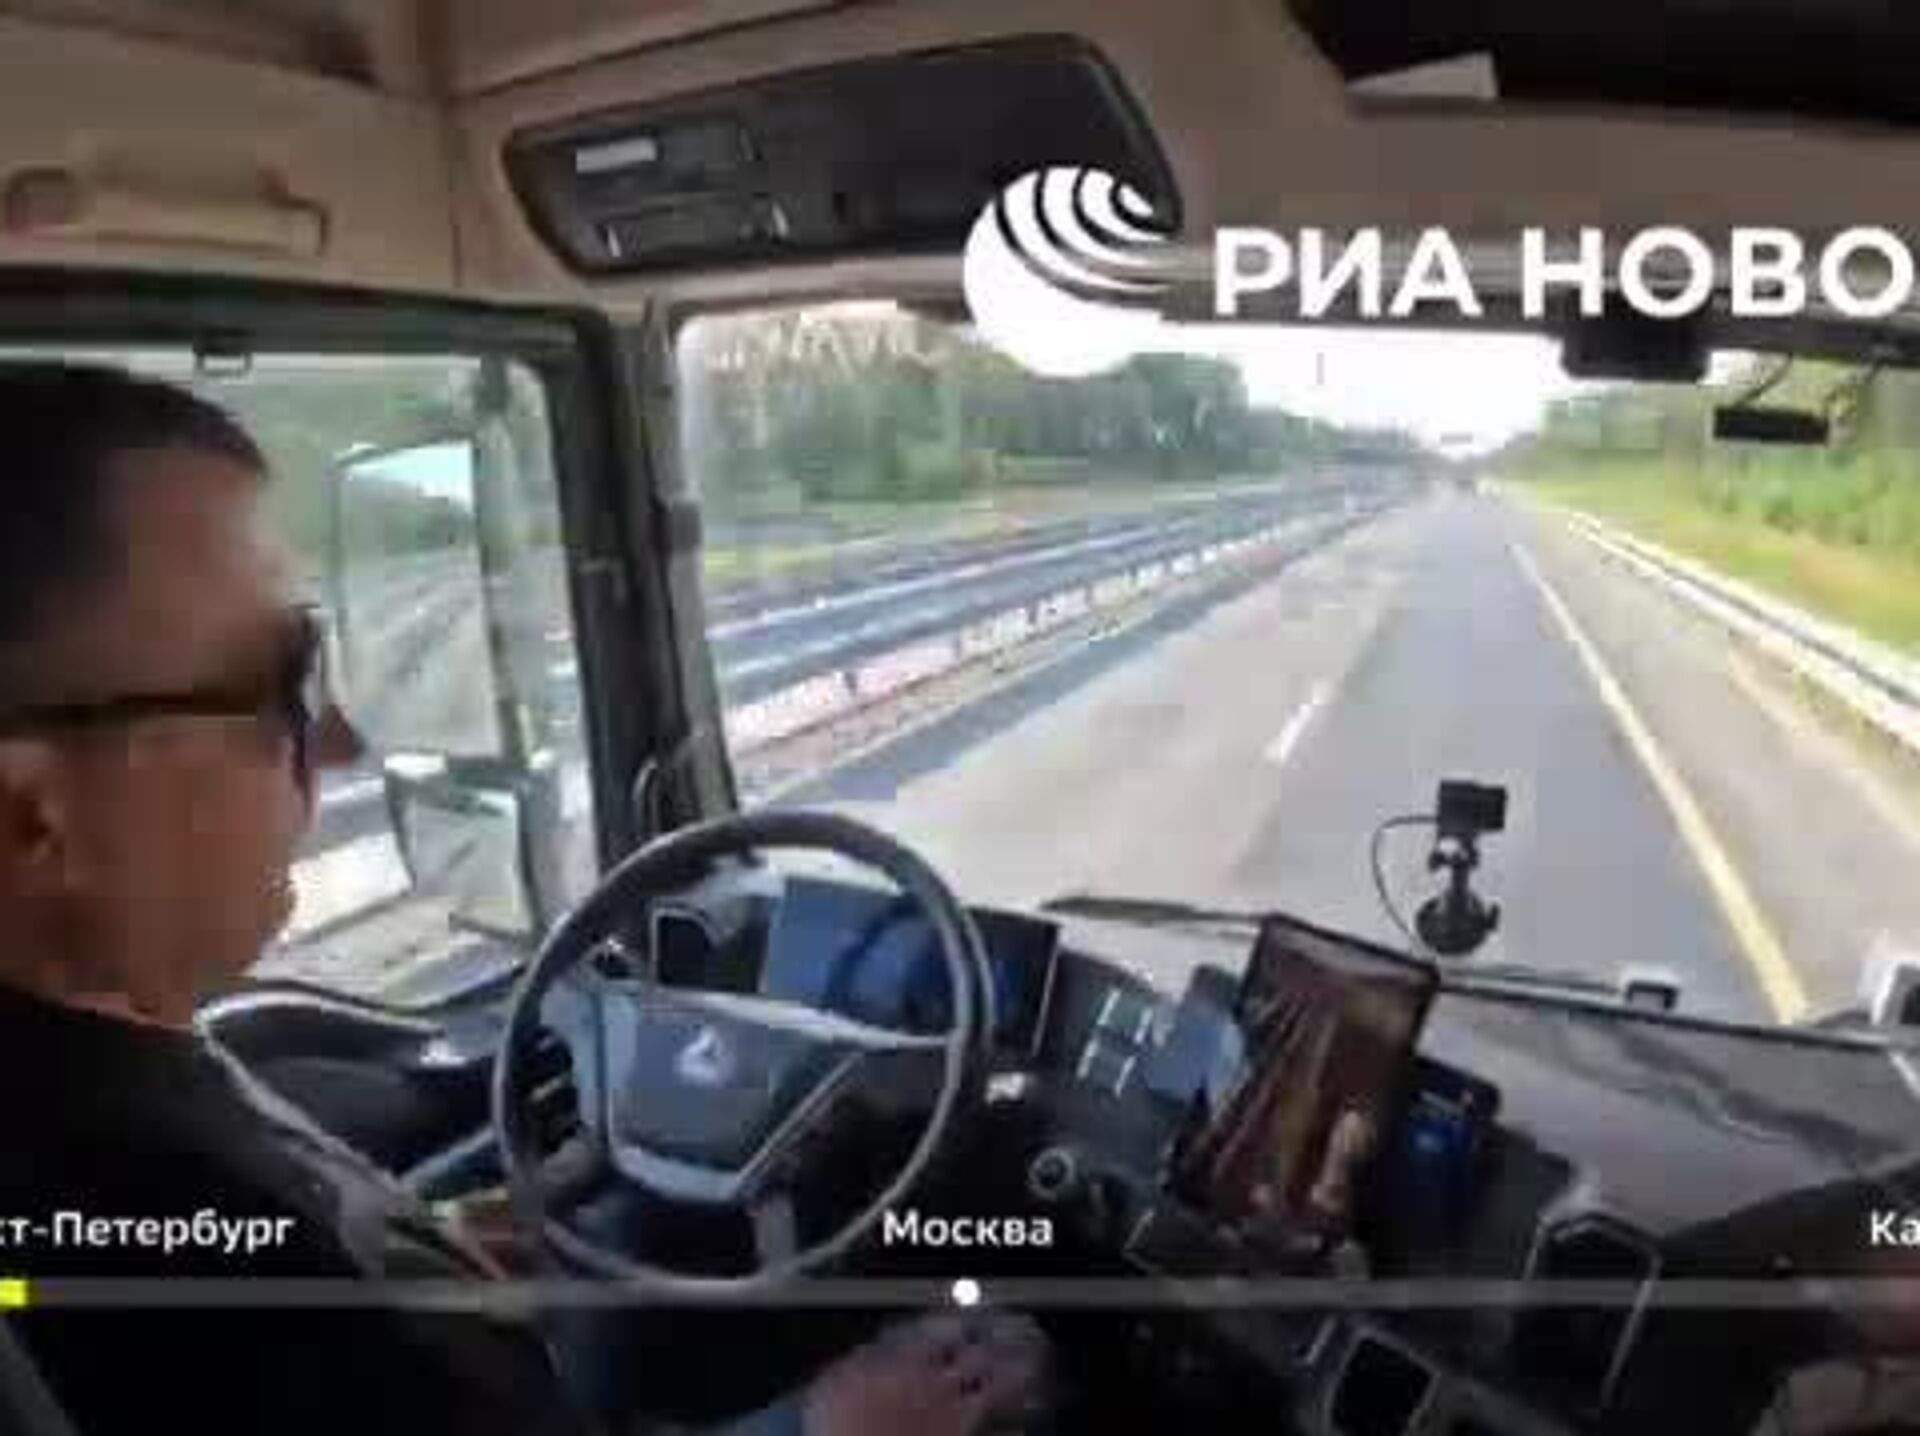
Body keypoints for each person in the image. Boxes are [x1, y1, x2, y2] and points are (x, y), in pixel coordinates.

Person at [0, 363, 1048, 1435]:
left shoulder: (106, 1108)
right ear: (37, 820)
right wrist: (840, 1424)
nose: (339, 740)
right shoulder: (157, 1205)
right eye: (277, 682)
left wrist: (428, 1250)